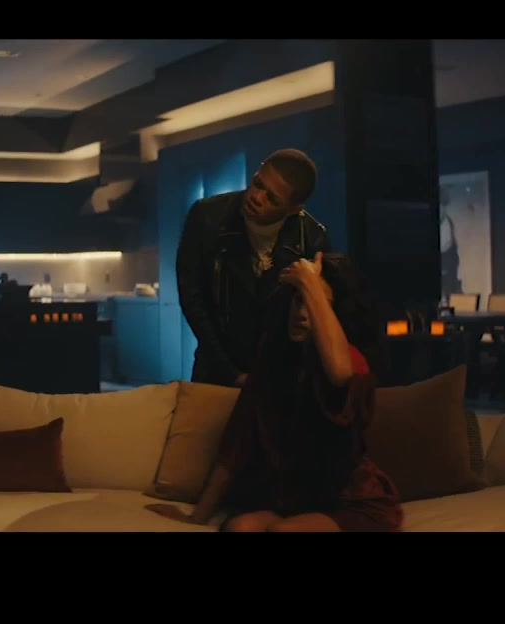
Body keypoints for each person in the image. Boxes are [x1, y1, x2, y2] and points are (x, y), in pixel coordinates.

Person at [147, 252, 402, 532]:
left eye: (315, 303)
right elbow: (236, 446)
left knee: (284, 531)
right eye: (297, 300)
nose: (302, 313)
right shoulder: (272, 366)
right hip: (292, 501)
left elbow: (340, 374)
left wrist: (309, 282)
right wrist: (198, 517)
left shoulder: (353, 363)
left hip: (351, 502)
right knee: (240, 527)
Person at [176, 148, 330, 388]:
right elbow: (192, 298)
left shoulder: (311, 238)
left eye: (272, 198)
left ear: (293, 209)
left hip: (280, 374)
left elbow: (313, 314)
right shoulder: (208, 217)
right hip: (216, 368)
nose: (257, 197)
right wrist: (230, 373)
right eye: (258, 183)